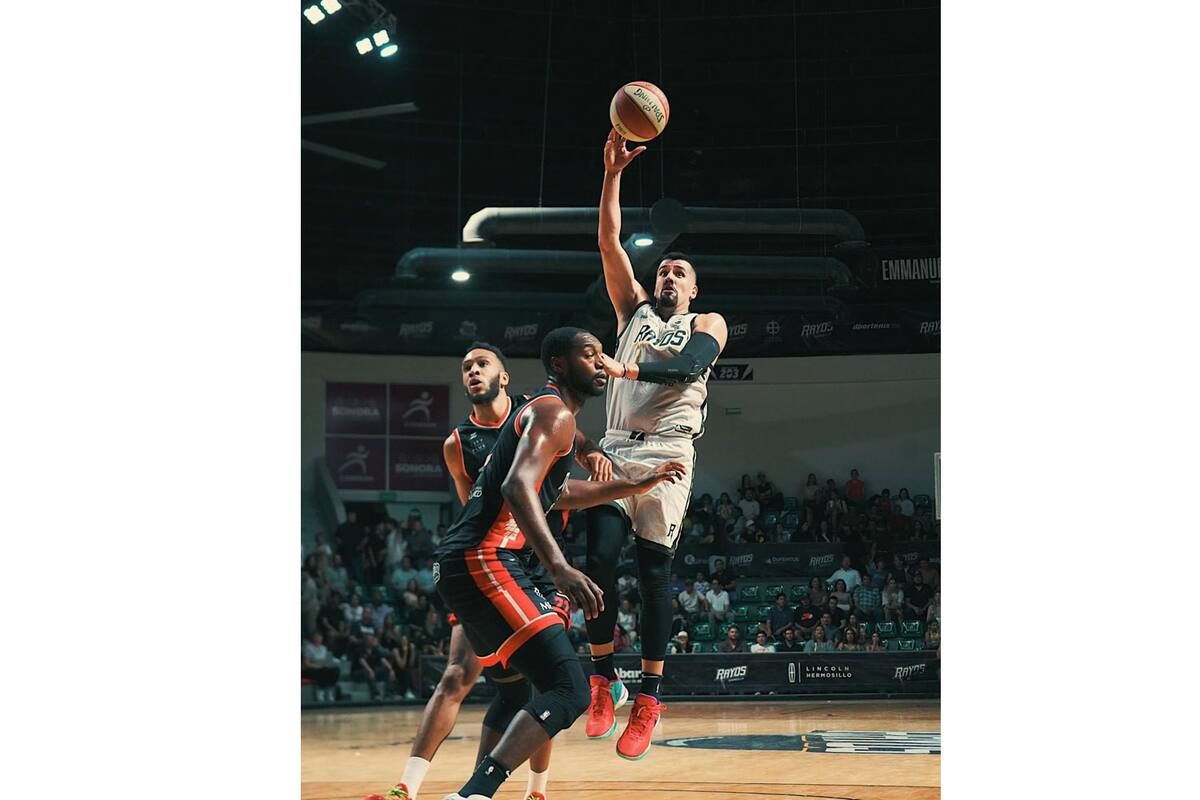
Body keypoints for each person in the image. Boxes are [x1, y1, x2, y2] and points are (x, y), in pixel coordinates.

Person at [430, 328, 688, 800]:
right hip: (485, 557)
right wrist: (558, 567)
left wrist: (631, 485)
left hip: (463, 564)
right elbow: (517, 489)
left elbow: (556, 492)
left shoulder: (542, 414)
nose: (601, 362)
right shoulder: (554, 413)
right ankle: (473, 794)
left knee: (530, 690)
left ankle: (482, 792)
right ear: (560, 365)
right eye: (589, 355)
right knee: (568, 688)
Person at [367, 339, 614, 800]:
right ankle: (411, 787)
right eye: (465, 367)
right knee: (462, 674)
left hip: (527, 563)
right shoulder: (459, 443)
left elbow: (575, 451)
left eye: (482, 364)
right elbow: (474, 507)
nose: (472, 372)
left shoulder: (539, 410)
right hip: (492, 560)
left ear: (505, 377)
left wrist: (600, 456)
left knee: (539, 686)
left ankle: (526, 791)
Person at [583, 131, 731, 762]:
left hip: (669, 454)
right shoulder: (633, 312)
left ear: (693, 290)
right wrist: (612, 174)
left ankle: (649, 697)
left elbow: (684, 369)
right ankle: (601, 678)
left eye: (681, 272)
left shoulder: (707, 324)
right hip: (617, 448)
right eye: (665, 269)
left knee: (652, 575)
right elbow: (609, 242)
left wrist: (622, 373)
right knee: (597, 557)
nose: (669, 275)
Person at [302, 632, 340, 703]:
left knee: (335, 670)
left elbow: (324, 661)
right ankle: (320, 692)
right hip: (309, 669)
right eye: (316, 637)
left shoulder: (323, 648)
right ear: (313, 638)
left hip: (321, 667)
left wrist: (320, 664)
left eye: (320, 637)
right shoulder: (308, 647)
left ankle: (329, 690)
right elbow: (307, 664)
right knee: (322, 672)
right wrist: (318, 665)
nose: (318, 639)